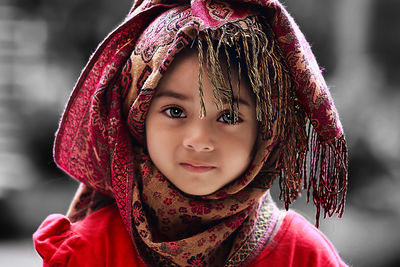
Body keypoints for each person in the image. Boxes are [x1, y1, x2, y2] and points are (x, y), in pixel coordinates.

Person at [33, 0, 349, 266]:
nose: (198, 139)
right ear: (136, 114)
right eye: (175, 111)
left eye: (229, 116)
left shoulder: (302, 256)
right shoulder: (89, 252)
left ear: (267, 131)